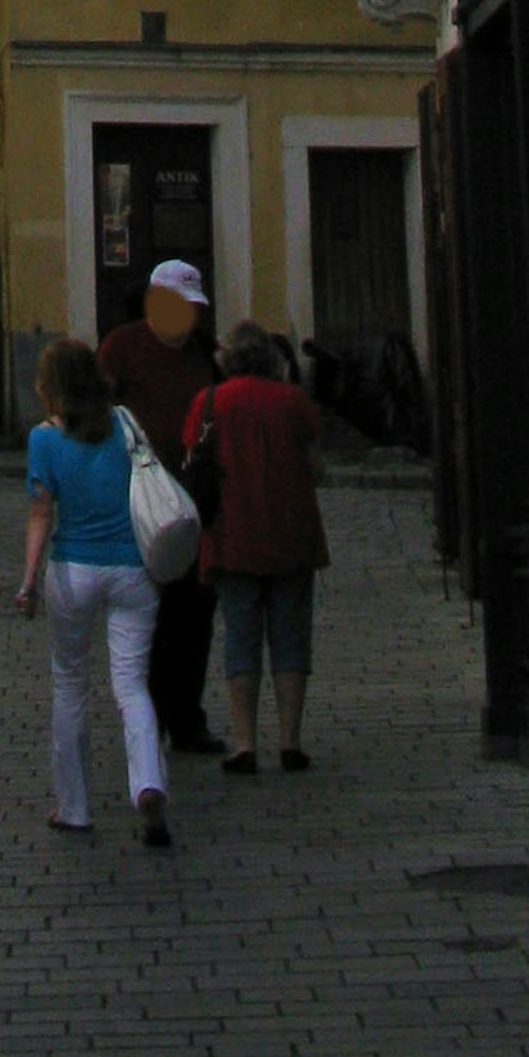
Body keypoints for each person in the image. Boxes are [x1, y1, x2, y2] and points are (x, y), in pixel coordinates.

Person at [17, 335, 171, 853]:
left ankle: (75, 807)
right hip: (132, 569)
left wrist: (29, 580)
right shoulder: (124, 423)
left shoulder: (44, 439)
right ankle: (147, 783)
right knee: (132, 686)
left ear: (49, 387)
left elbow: (42, 514)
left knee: (69, 684)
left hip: (74, 571)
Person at [96, 254, 221, 756]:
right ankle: (147, 717)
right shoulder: (122, 347)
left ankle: (187, 718)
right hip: (141, 496)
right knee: (148, 609)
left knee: (194, 611)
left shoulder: (204, 351)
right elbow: (99, 411)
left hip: (194, 496)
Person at [195, 321, 328, 777]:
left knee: (240, 637)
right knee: (291, 638)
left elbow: (193, 461)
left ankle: (245, 743)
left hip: (233, 533)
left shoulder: (209, 403)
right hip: (291, 531)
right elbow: (316, 466)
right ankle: (290, 741)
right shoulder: (293, 401)